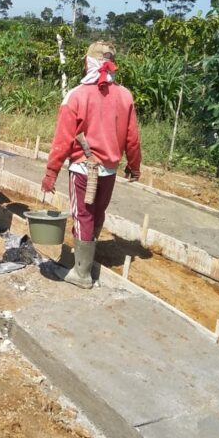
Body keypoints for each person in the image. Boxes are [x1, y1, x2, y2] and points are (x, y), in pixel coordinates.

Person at [41, 40, 141, 288]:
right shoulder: (125, 96)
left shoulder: (77, 95)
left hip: (84, 169)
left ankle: (82, 273)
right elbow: (132, 138)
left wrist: (51, 173)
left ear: (89, 63)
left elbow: (63, 140)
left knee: (82, 215)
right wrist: (134, 165)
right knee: (97, 213)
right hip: (108, 171)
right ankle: (87, 258)